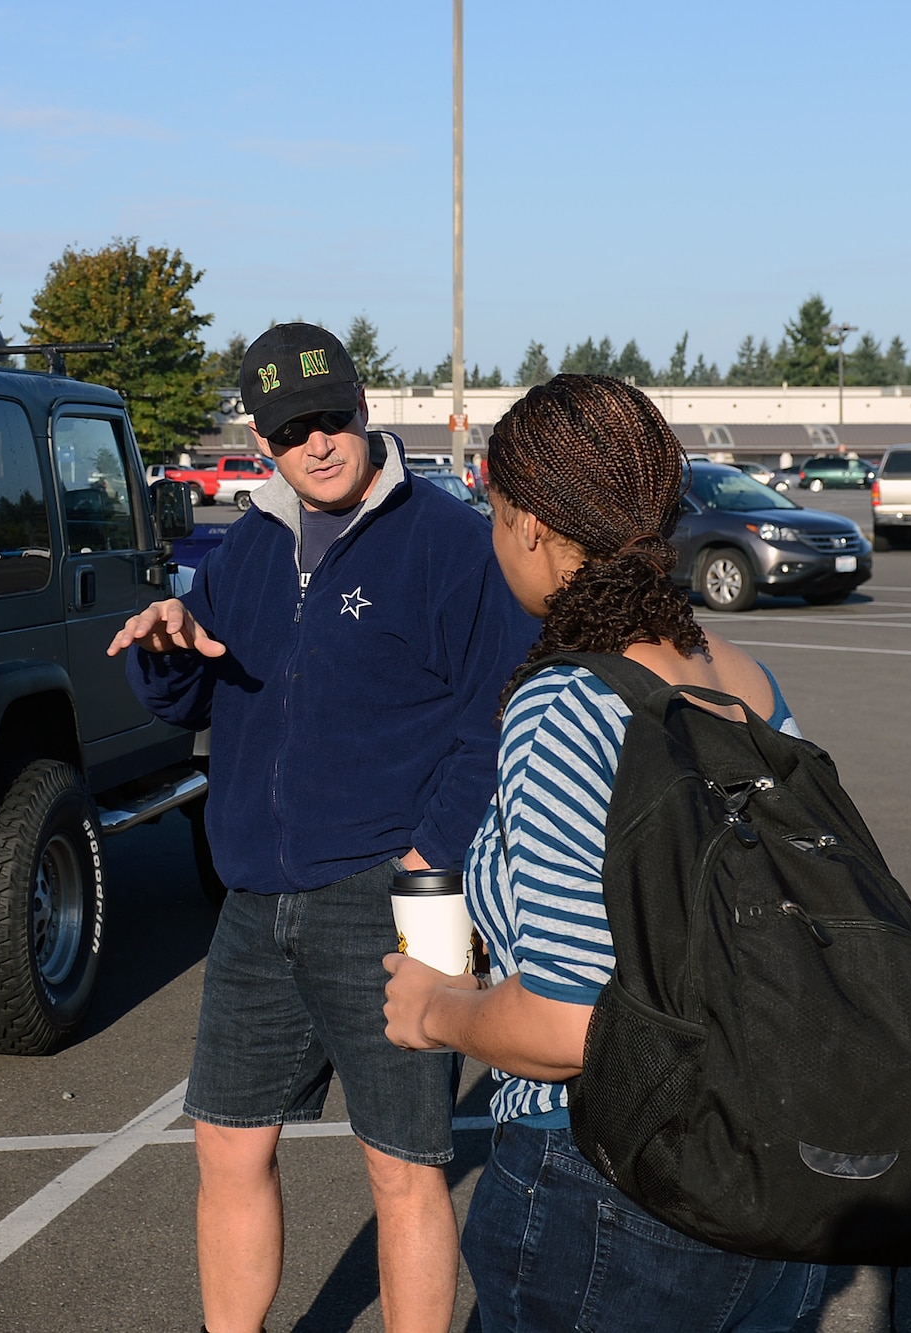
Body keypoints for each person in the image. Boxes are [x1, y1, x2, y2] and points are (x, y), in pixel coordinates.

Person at [108, 323, 540, 1333]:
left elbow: (499, 709)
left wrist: (430, 853)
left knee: (402, 1165)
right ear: (263, 438)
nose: (317, 442)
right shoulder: (245, 548)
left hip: (395, 896)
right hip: (255, 896)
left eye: (332, 417)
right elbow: (185, 702)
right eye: (291, 427)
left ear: (362, 408)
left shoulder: (445, 541)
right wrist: (165, 649)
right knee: (225, 1145)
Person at [381, 374, 828, 1332]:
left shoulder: (567, 704)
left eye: (497, 516)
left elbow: (565, 1022)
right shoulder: (740, 673)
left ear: (534, 526)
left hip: (609, 1179)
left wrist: (435, 1012)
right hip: (766, 1157)